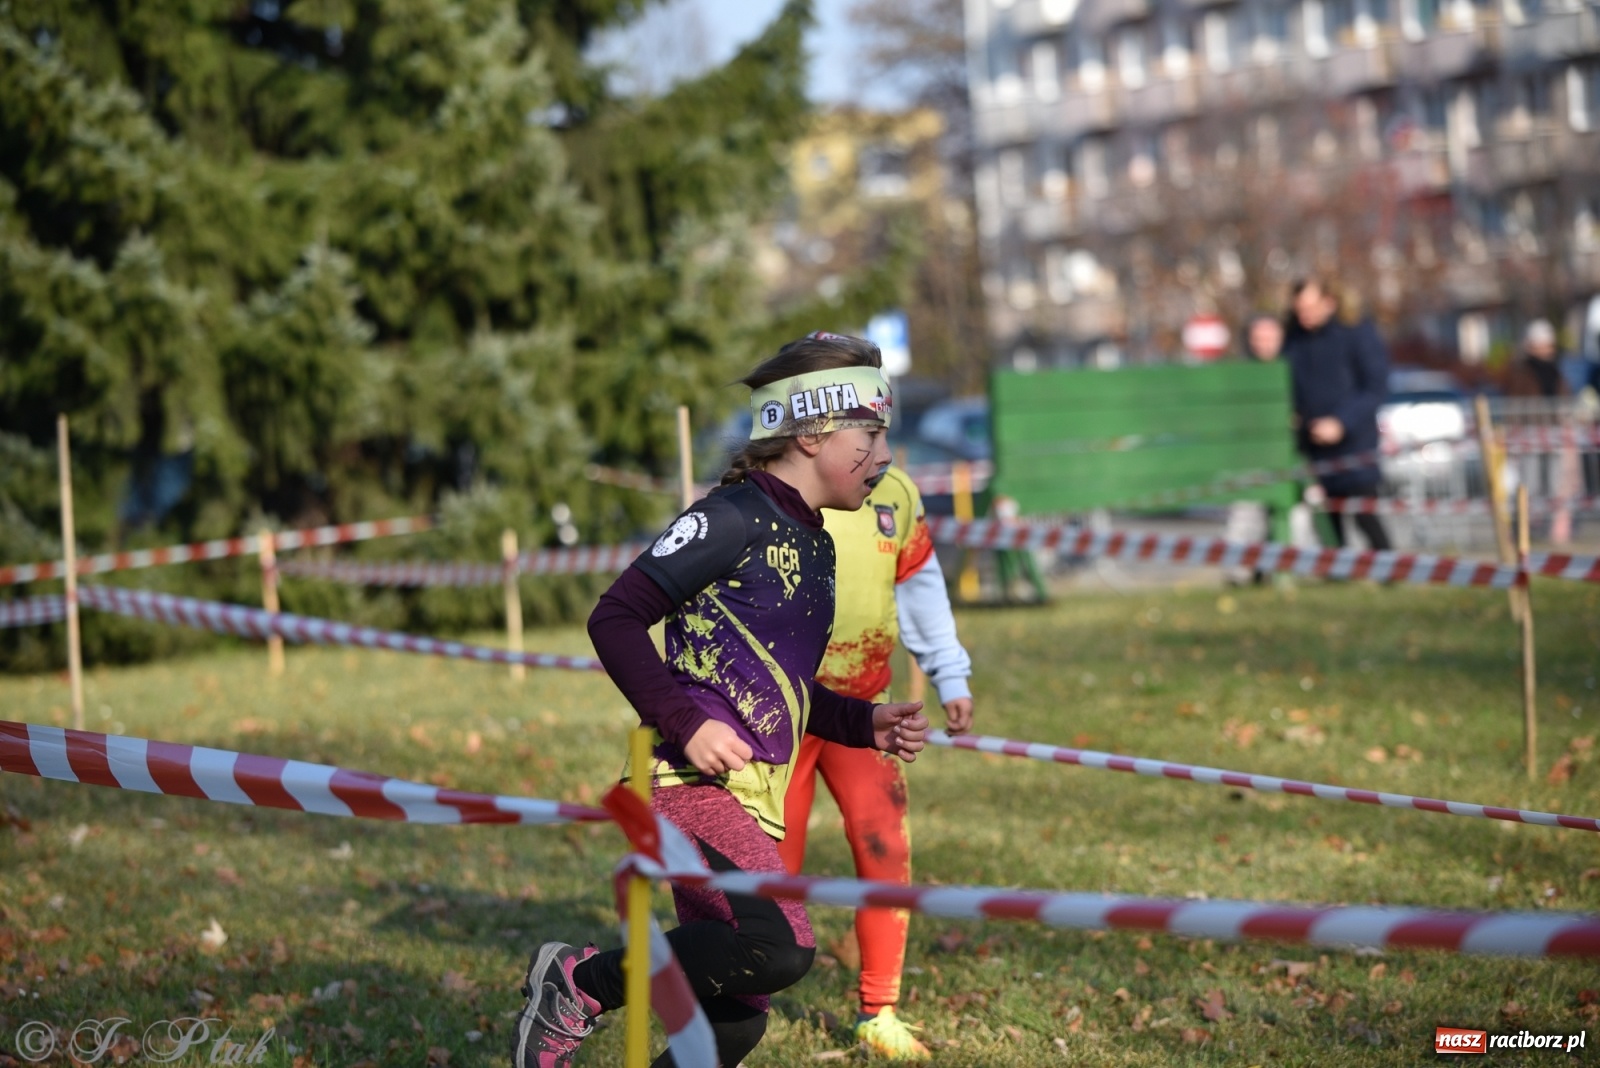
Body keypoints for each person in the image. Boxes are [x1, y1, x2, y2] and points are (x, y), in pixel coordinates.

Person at [512, 333, 931, 1068]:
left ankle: (582, 990)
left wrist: (865, 721)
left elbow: (792, 690)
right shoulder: (731, 517)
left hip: (748, 798)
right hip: (685, 785)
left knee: (735, 1021)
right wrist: (684, 722)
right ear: (809, 432)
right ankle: (578, 982)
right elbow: (613, 617)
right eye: (870, 434)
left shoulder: (815, 542)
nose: (886, 456)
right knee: (780, 946)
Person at [778, 458, 975, 1061]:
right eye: (867, 431)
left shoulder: (897, 494)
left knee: (885, 849)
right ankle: (743, 995)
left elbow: (920, 588)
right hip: (782, 711)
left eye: (886, 428)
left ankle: (878, 1009)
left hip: (867, 712)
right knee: (768, 862)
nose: (881, 447)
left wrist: (951, 673)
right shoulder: (771, 487)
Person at [1282, 276, 1393, 551]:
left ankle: (1391, 570)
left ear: (1329, 303)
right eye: (1300, 310)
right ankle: (1339, 574)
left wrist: (1342, 422)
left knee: (1365, 516)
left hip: (1356, 444)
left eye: (1310, 308)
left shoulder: (1355, 331)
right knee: (1329, 523)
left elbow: (1375, 386)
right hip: (1315, 446)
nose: (1304, 315)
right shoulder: (1294, 339)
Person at [1507, 319, 1569, 398]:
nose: (1550, 351)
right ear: (1532, 347)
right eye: (1545, 346)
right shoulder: (1521, 375)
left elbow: (1564, 396)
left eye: (1550, 346)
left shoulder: (1556, 373)